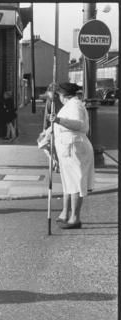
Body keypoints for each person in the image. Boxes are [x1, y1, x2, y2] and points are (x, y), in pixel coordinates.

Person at [48, 82, 94, 229]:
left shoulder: (75, 105)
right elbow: (61, 125)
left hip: (75, 148)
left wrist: (58, 120)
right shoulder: (70, 105)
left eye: (59, 95)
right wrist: (48, 132)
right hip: (69, 148)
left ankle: (75, 218)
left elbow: (79, 124)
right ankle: (65, 213)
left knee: (74, 183)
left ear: (63, 95)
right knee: (68, 182)